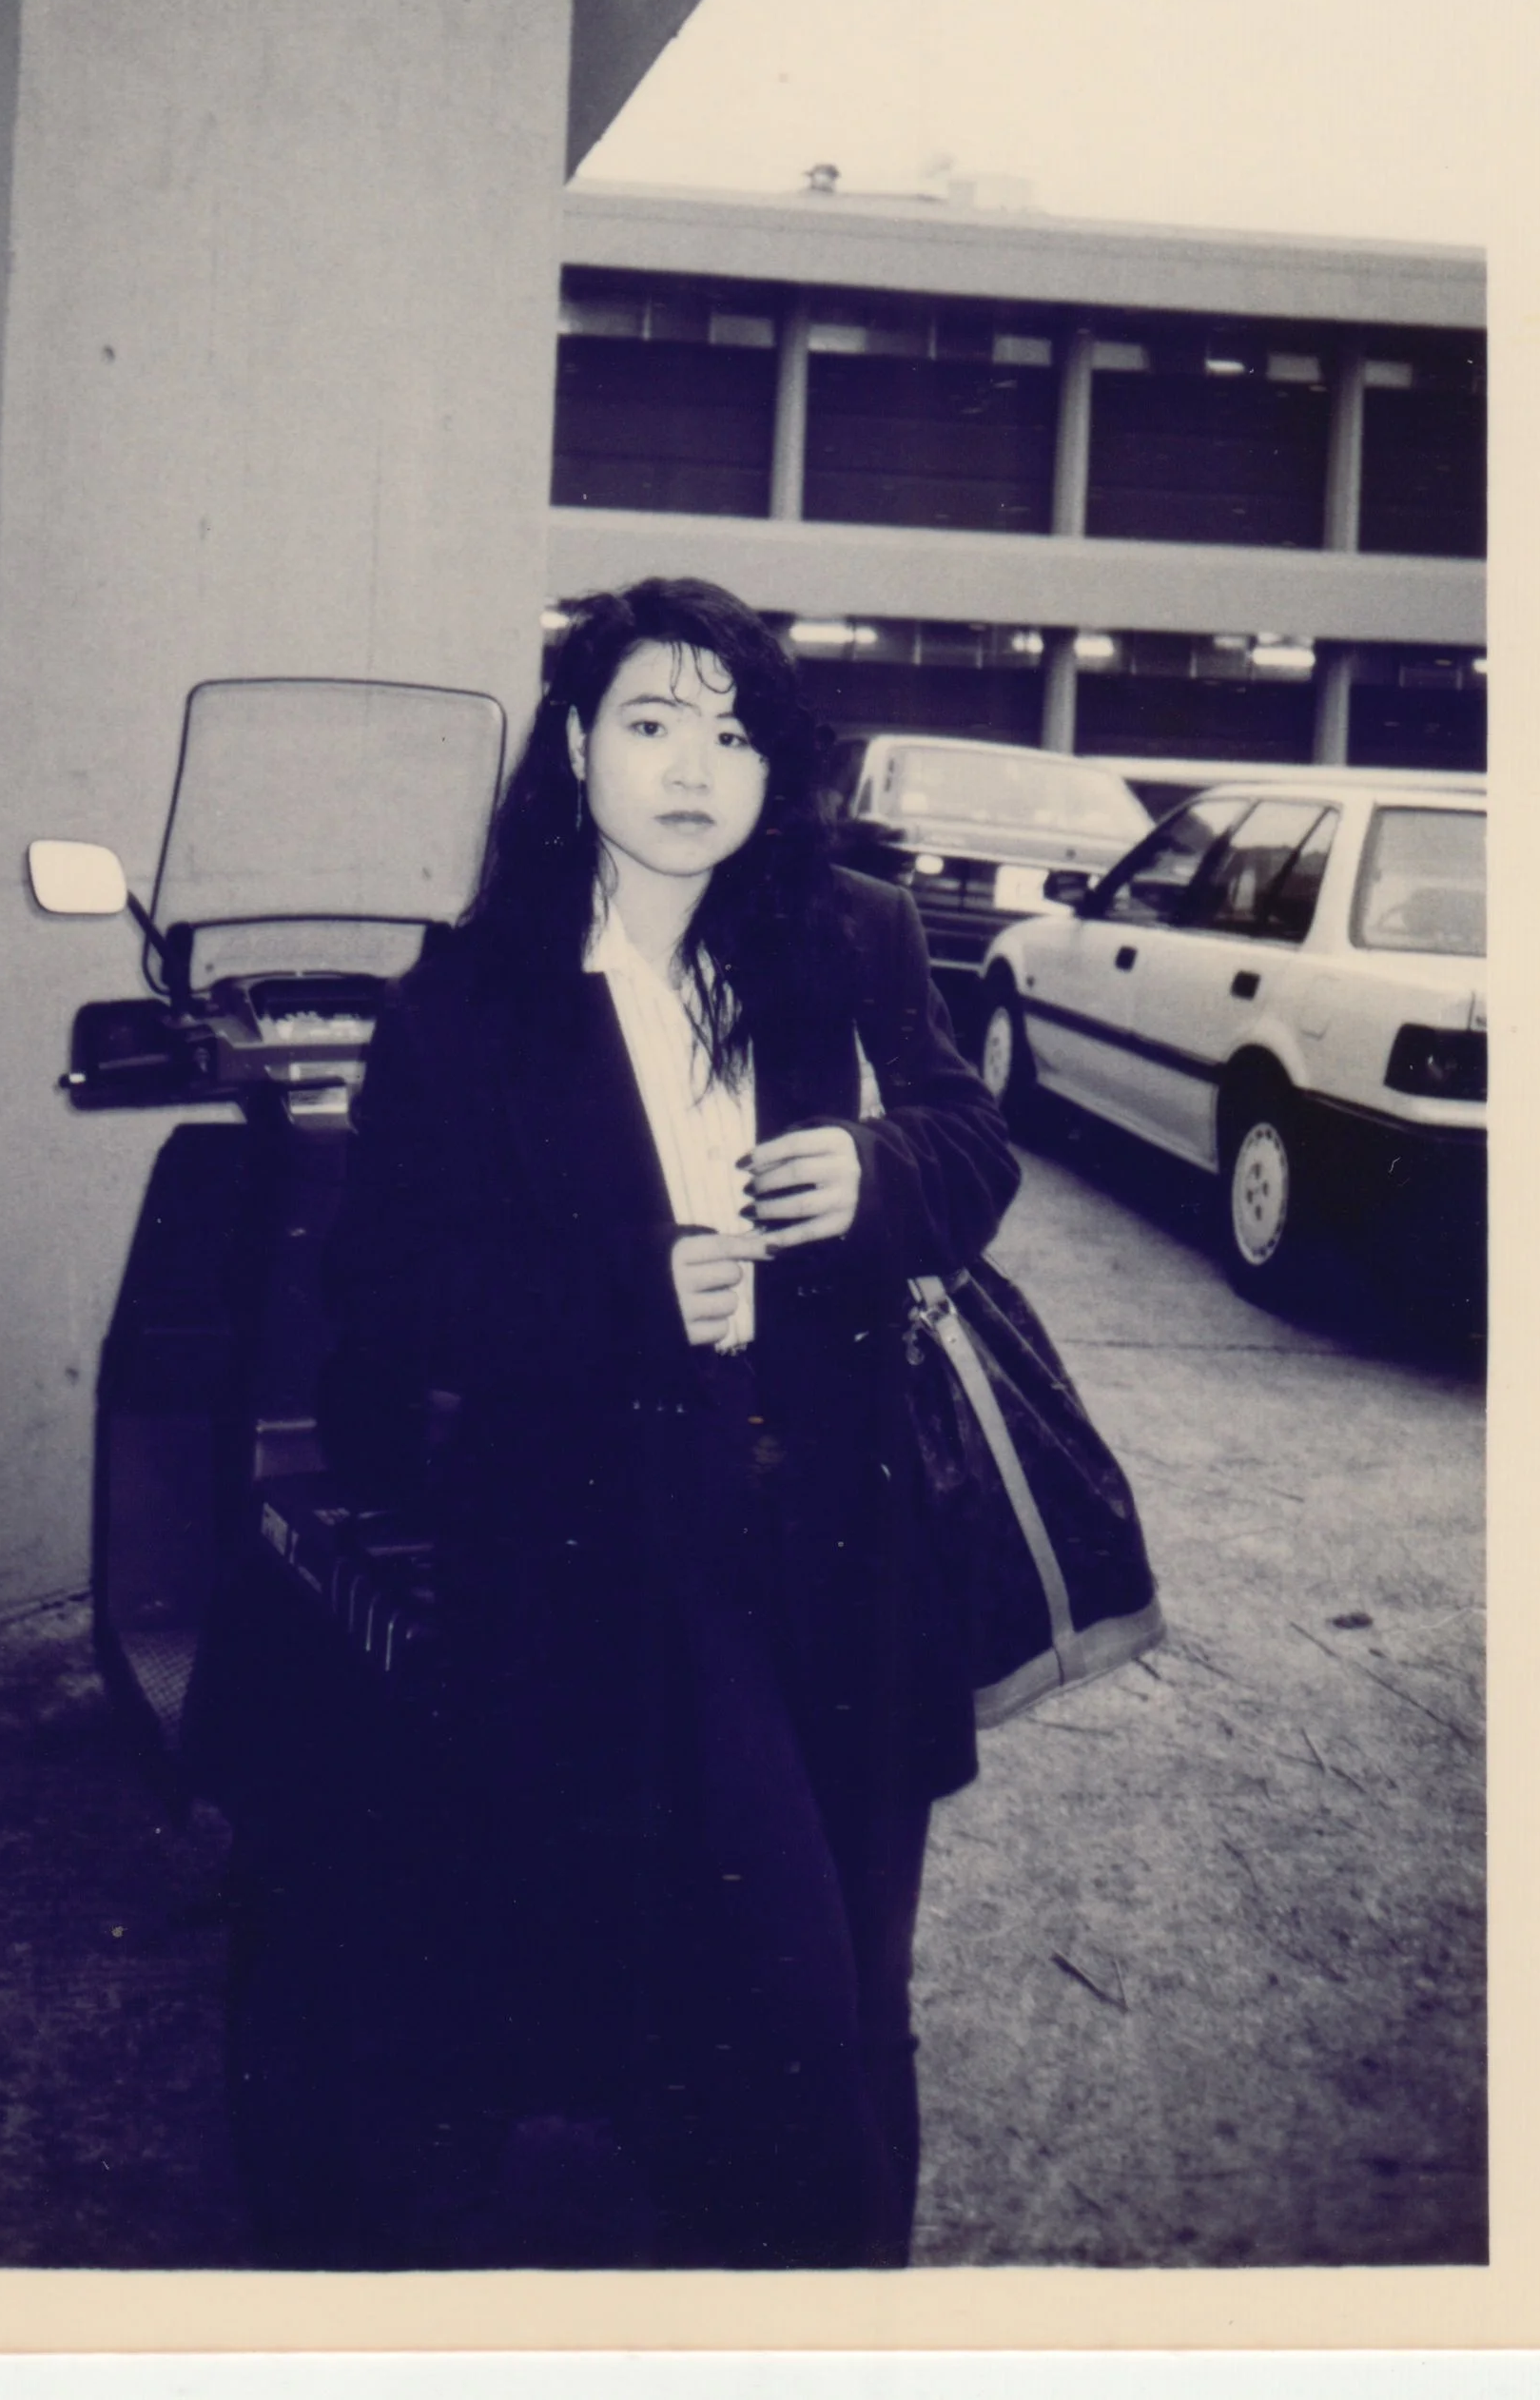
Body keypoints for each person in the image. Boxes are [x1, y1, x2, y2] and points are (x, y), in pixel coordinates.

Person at [316, 576, 1020, 2268]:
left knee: (859, 1980)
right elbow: (390, 1295)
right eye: (651, 723)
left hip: (845, 1543)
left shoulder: (846, 936)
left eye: (735, 733)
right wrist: (633, 1295)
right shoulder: (469, 998)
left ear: (778, 772)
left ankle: (851, 2301)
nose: (695, 766)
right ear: (576, 746)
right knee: (750, 1975)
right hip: (610, 1567)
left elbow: (967, 1144)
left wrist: (878, 1171)